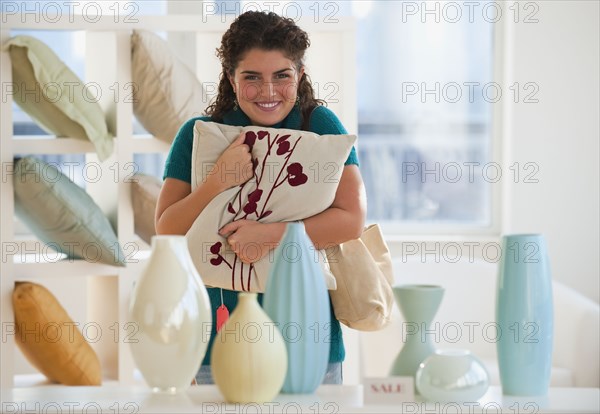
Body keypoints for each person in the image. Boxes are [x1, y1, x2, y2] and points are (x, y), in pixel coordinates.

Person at [155, 11, 366, 384]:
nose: (268, 92)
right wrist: (217, 181)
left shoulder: (320, 126)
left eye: (281, 76)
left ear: (299, 76)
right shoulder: (198, 135)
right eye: (252, 77)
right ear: (231, 79)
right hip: (215, 338)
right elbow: (167, 231)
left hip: (305, 334)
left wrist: (268, 235)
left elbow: (351, 220)